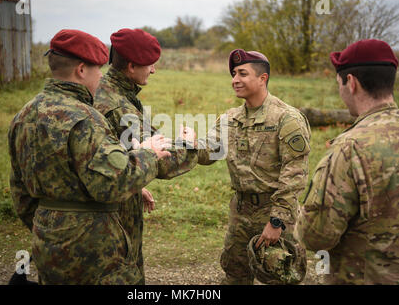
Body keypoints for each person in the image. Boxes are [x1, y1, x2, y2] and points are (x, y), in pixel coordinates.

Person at [8, 29, 172, 284]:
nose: (101, 76)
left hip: (46, 243)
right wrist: (148, 154)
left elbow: (20, 190)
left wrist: (50, 225)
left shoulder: (23, 115)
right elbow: (116, 182)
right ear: (81, 70)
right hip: (93, 250)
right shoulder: (85, 118)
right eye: (98, 69)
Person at [195, 49, 311, 285]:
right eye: (234, 74)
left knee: (280, 276)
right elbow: (208, 152)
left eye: (242, 74)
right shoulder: (230, 118)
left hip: (274, 211)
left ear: (262, 79)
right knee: (235, 273)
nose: (235, 79)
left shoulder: (287, 119)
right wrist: (188, 142)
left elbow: (295, 174)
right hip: (241, 211)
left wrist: (276, 221)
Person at [94, 28, 198, 283]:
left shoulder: (107, 91)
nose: (153, 70)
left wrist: (135, 186)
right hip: (113, 217)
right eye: (150, 64)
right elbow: (157, 156)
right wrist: (190, 146)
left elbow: (113, 155)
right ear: (131, 66)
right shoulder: (119, 106)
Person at [294, 39, 399, 285]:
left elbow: (317, 236)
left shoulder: (349, 148)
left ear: (350, 83)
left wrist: (297, 218)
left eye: (338, 83)